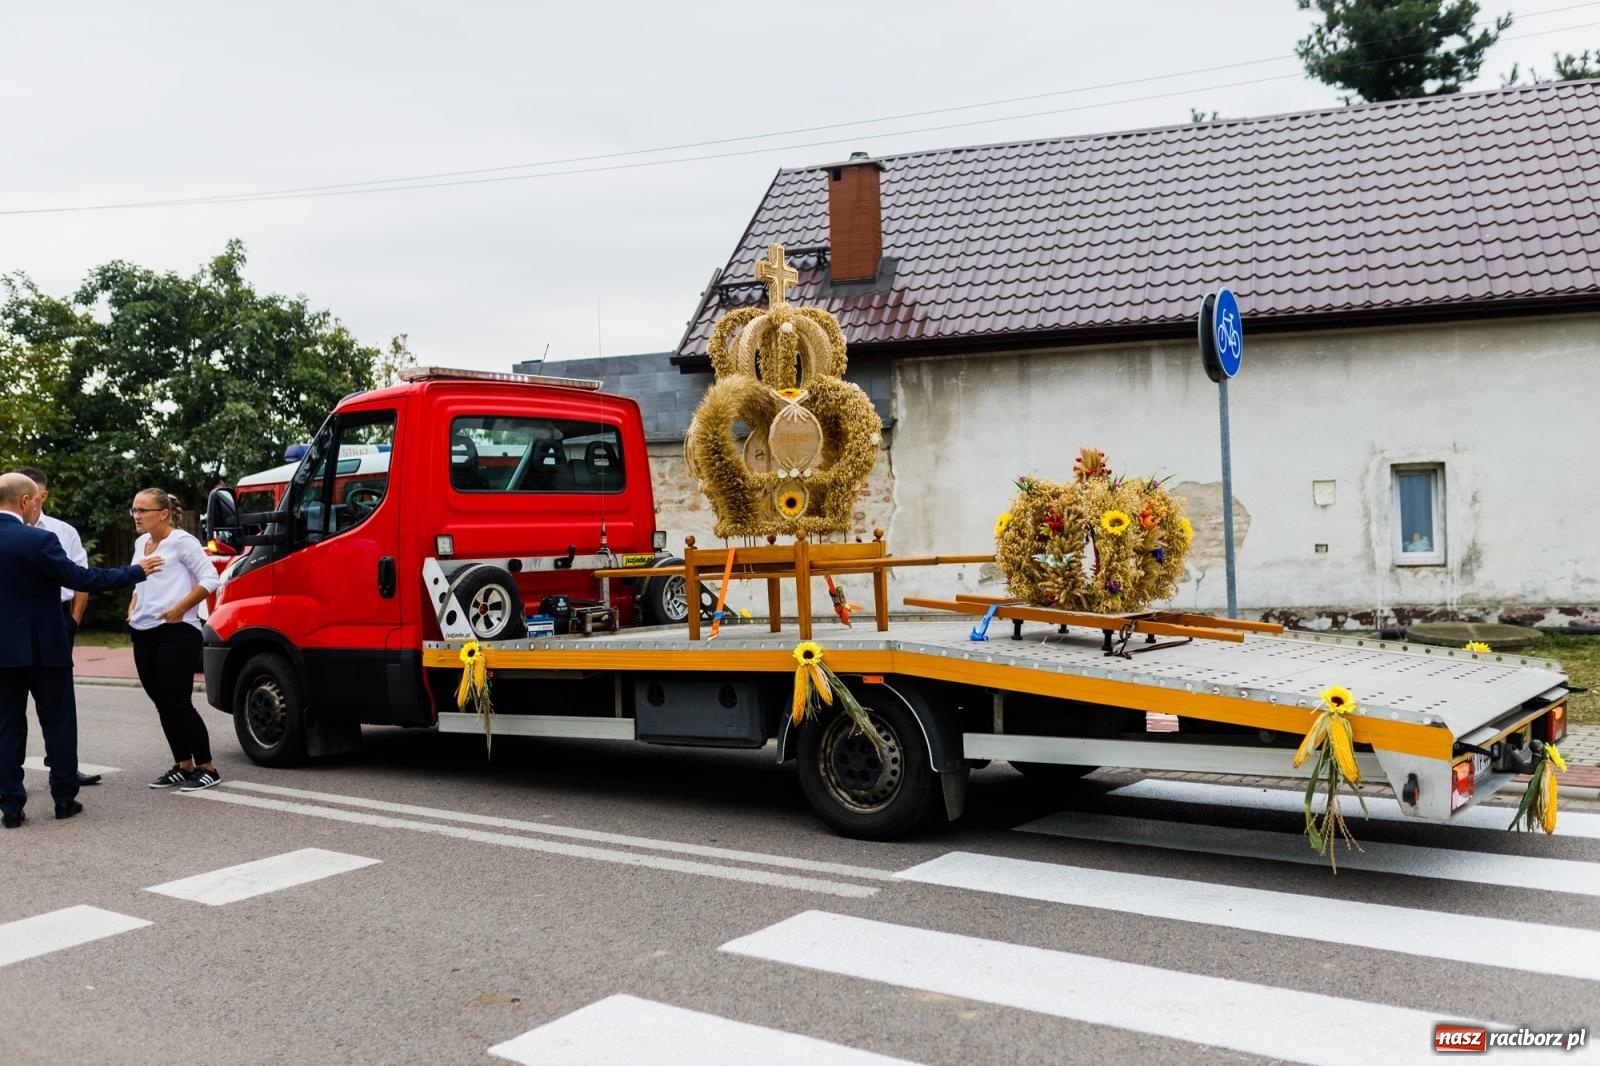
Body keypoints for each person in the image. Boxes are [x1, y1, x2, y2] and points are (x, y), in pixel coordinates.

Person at [0, 472, 160, 829]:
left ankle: (10, 806)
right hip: (46, 646)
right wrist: (135, 572)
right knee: (58, 724)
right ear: (25, 501)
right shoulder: (39, 539)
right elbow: (82, 579)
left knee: (4, 728)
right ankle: (63, 799)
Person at [126, 488, 223, 791]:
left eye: (142, 510)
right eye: (134, 510)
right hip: (143, 631)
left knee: (177, 701)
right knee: (161, 702)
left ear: (163, 514)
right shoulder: (142, 542)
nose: (136, 516)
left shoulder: (182, 542)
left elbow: (210, 578)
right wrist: (132, 604)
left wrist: (180, 609)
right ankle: (183, 764)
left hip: (177, 631)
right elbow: (139, 579)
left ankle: (207, 767)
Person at [16, 466, 101, 787]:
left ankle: (63, 768)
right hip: (13, 622)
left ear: (41, 496)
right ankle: (11, 776)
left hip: (56, 618)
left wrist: (73, 622)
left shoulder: (63, 532)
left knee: (58, 704)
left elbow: (82, 579)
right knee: (12, 706)